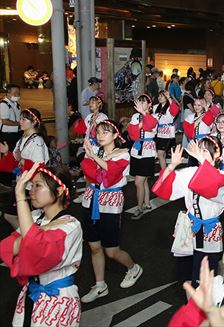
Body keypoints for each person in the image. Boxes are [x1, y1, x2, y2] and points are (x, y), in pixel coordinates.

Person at [0, 163, 81, 327]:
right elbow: (6, 247)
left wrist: (20, 197)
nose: (32, 191)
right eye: (32, 185)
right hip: (32, 292)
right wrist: (39, 230)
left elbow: (35, 248)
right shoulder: (36, 217)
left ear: (58, 192)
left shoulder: (71, 226)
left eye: (38, 186)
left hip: (58, 299)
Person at [80, 120, 143, 303]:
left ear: (116, 135)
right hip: (91, 198)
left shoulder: (123, 154)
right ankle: (100, 285)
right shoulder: (95, 151)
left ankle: (133, 268)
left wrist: (94, 159)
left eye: (105, 132)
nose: (100, 135)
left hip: (110, 202)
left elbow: (110, 175)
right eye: (98, 132)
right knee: (94, 246)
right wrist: (93, 159)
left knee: (111, 250)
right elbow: (89, 172)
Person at [152, 139, 224, 286]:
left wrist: (199, 157)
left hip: (209, 230)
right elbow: (164, 187)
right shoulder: (191, 172)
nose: (199, 152)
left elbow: (210, 185)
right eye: (199, 149)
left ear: (217, 154)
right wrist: (172, 166)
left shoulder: (223, 176)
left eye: (204, 150)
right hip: (189, 227)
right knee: (186, 275)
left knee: (206, 277)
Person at [0, 108, 50, 229]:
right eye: (20, 118)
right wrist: (7, 154)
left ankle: (27, 240)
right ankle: (26, 240)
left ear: (33, 122)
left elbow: (39, 167)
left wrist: (22, 160)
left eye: (24, 119)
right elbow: (16, 163)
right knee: (13, 216)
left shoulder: (37, 141)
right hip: (22, 184)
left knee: (22, 217)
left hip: (31, 187)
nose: (20, 121)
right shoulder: (23, 138)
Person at [129, 94, 158, 220]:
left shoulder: (154, 115)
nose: (141, 103)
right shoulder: (135, 116)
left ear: (149, 104)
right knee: (143, 180)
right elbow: (132, 133)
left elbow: (150, 125)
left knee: (138, 182)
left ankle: (139, 207)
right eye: (139, 101)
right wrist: (139, 124)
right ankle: (147, 203)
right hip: (136, 150)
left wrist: (143, 117)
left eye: (144, 101)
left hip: (148, 151)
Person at [74, 96, 108, 161]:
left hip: (98, 146)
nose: (90, 104)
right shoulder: (89, 116)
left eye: (93, 102)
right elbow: (83, 130)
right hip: (89, 145)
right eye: (89, 102)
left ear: (99, 104)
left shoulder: (103, 117)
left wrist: (94, 122)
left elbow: (102, 132)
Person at [154, 90, 180, 171]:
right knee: (163, 154)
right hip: (158, 133)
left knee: (160, 154)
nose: (160, 98)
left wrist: (169, 98)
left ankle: (164, 173)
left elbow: (175, 110)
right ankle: (165, 172)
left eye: (162, 96)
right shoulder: (155, 107)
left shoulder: (170, 106)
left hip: (167, 133)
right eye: (159, 96)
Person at [0, 84, 22, 151]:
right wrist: (19, 124)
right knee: (8, 155)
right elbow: (5, 121)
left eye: (18, 93)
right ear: (8, 92)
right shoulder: (4, 104)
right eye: (15, 93)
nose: (17, 95)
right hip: (7, 135)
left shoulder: (16, 104)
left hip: (17, 133)